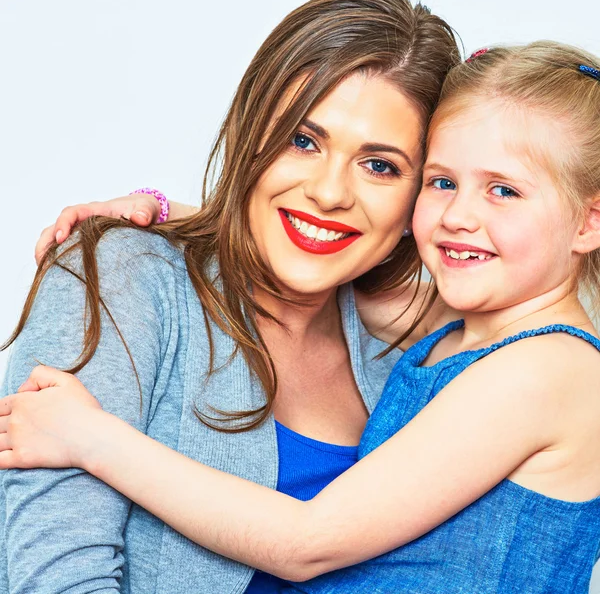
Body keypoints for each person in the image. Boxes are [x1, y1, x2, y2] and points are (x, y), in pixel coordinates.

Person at [4, 41, 600, 594]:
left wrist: (92, 439)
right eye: (443, 182)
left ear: (588, 223)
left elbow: (304, 542)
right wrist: (171, 216)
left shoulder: (544, 370)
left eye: (505, 192)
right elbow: (315, 249)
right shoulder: (460, 326)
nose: (458, 217)